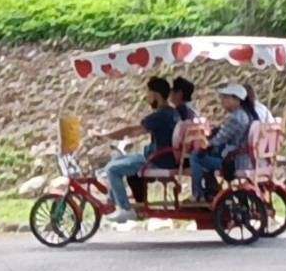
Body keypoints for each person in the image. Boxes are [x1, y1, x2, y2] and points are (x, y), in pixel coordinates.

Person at [93, 76, 179, 223]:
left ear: (156, 95)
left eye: (148, 94)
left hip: (157, 160)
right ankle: (113, 201)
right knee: (116, 160)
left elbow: (132, 130)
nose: (146, 97)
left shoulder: (160, 116)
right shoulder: (172, 113)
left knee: (112, 170)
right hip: (160, 156)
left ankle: (125, 209)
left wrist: (105, 135)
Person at [190, 84, 258, 201]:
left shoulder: (236, 117)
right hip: (245, 158)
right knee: (208, 156)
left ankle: (198, 194)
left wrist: (206, 144)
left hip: (235, 161)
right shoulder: (249, 115)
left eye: (226, 98)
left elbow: (220, 138)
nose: (222, 101)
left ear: (236, 100)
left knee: (196, 157)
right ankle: (211, 190)